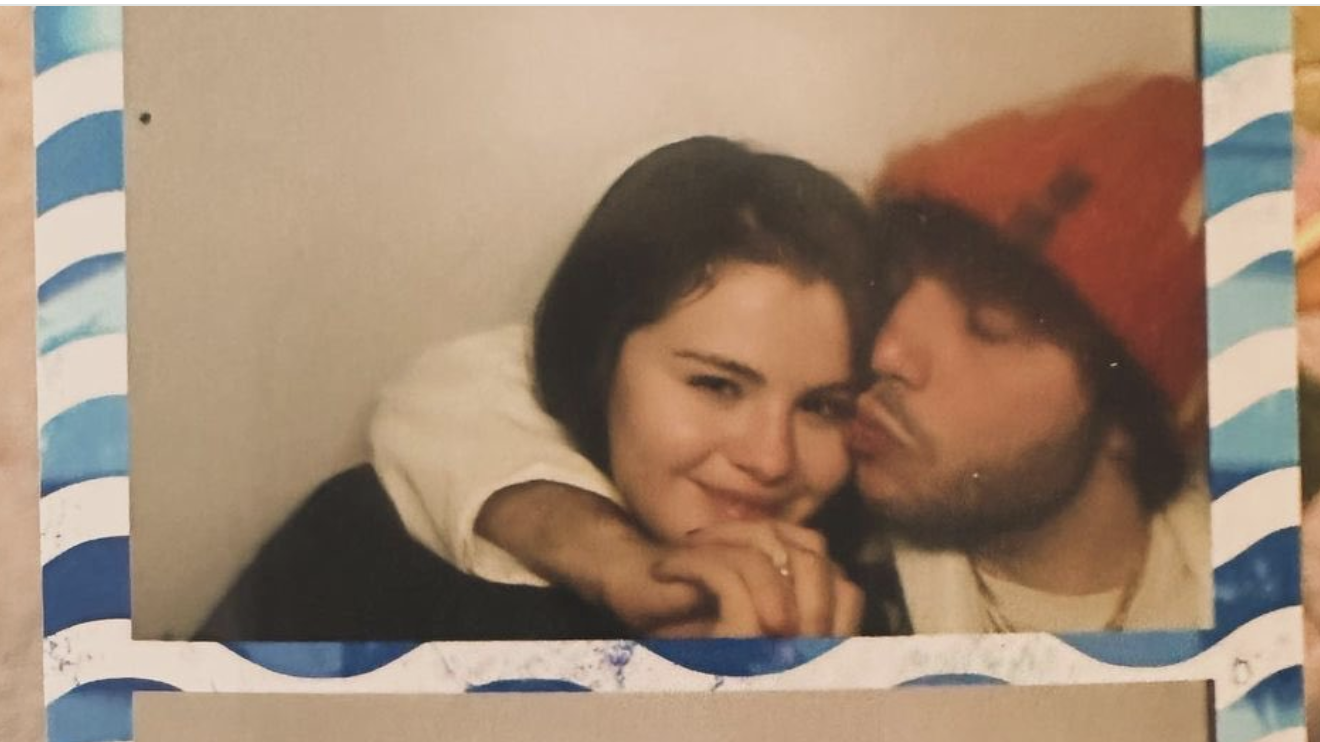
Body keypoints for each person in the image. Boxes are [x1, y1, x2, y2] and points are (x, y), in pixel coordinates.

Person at [371, 73, 1213, 635]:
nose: (886, 354)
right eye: (899, 296)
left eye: (987, 325)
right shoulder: (849, 532)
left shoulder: (1248, 588)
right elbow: (462, 387)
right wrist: (615, 558)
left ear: (1129, 416)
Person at [196, 135, 892, 641]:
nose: (770, 459)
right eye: (716, 384)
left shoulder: (867, 614)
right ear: (601, 360)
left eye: (823, 407)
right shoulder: (362, 546)